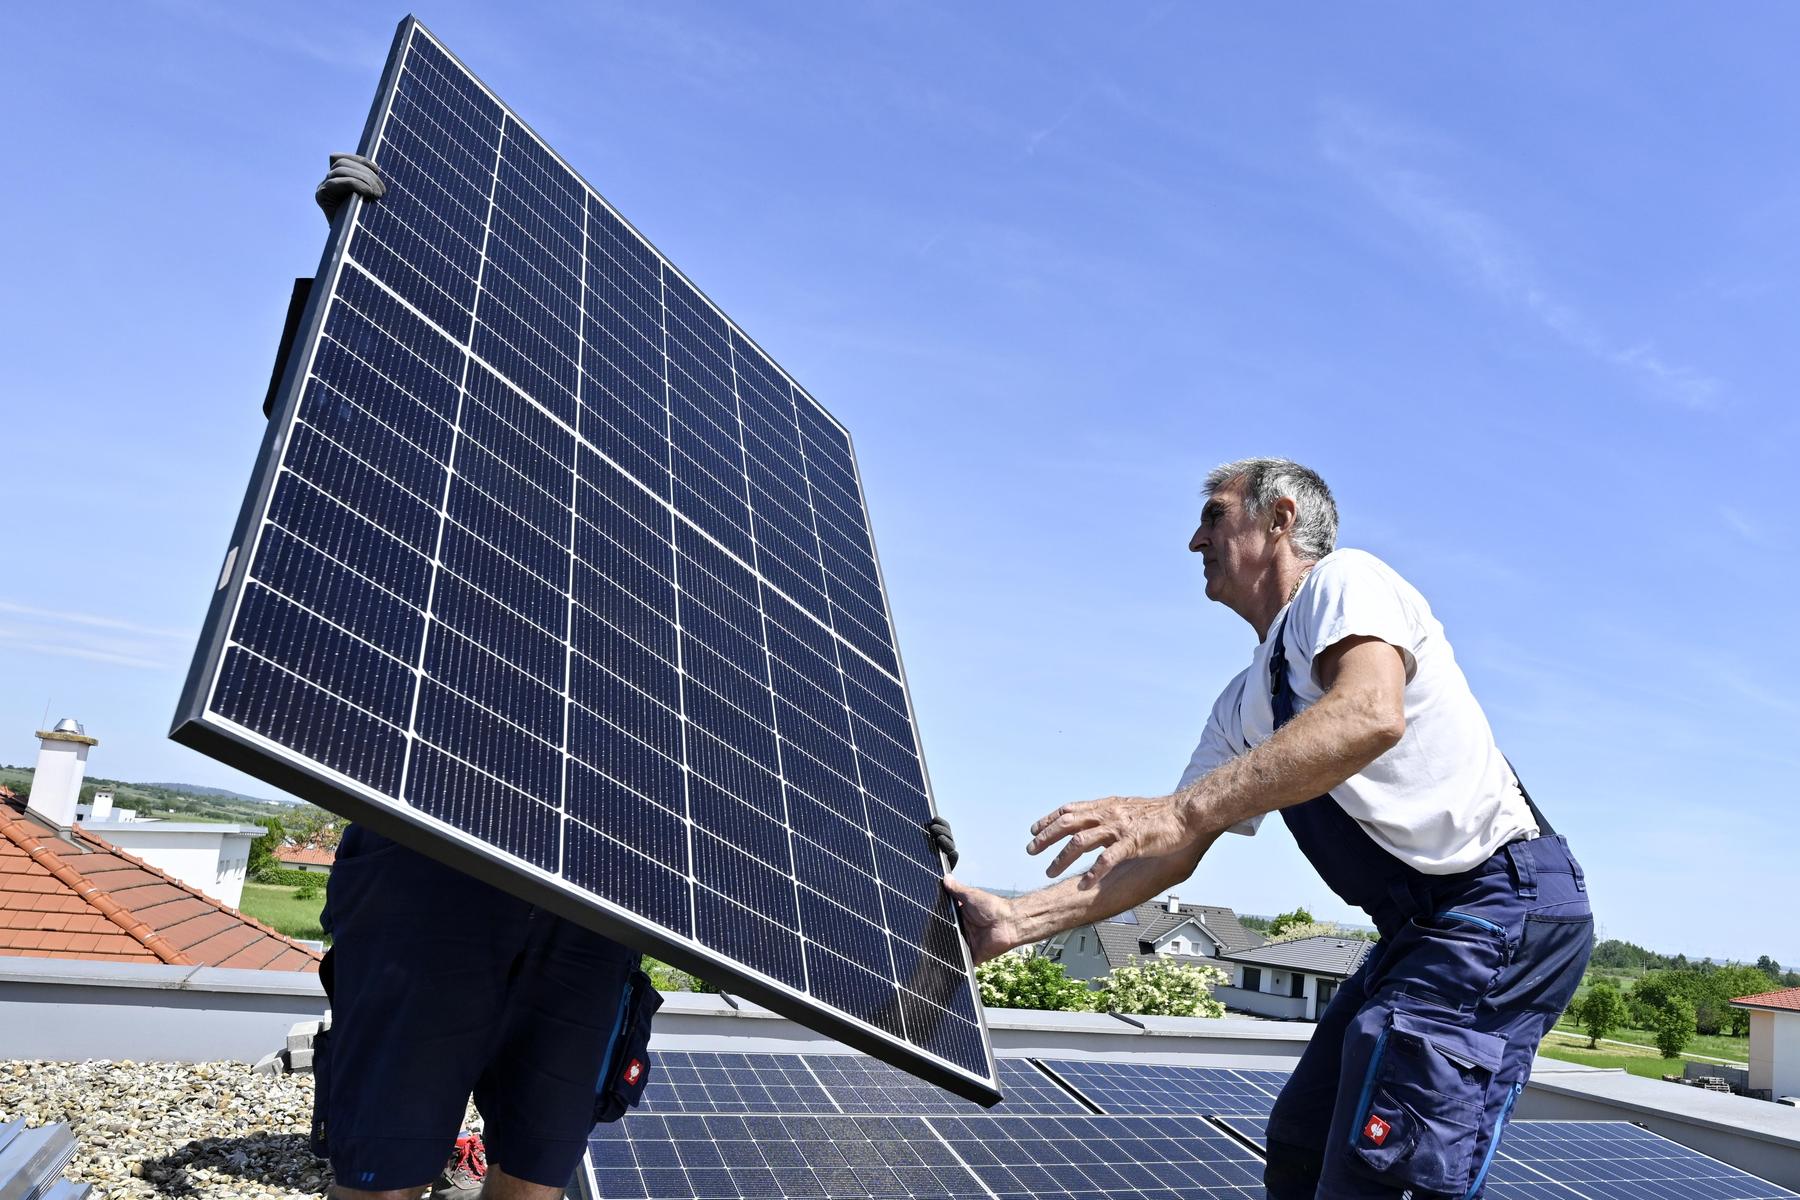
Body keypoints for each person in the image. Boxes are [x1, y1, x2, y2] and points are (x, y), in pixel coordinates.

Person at [296, 155, 960, 1200]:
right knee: (384, 1169)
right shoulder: (476, 454)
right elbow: (355, 453)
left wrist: (887, 849)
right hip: (440, 849)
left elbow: (774, 718)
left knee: (537, 1167)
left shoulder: (687, 565)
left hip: (602, 885)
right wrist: (354, 286)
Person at [946, 458, 1593, 1200]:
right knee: (1301, 1145)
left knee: (1381, 1173)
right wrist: (1018, 920)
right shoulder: (1243, 705)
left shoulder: (1346, 582)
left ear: (1281, 519)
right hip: (1419, 927)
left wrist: (1175, 810)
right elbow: (1170, 852)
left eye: (1214, 516)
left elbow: (1368, 714)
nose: (1195, 540)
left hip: (1500, 905)